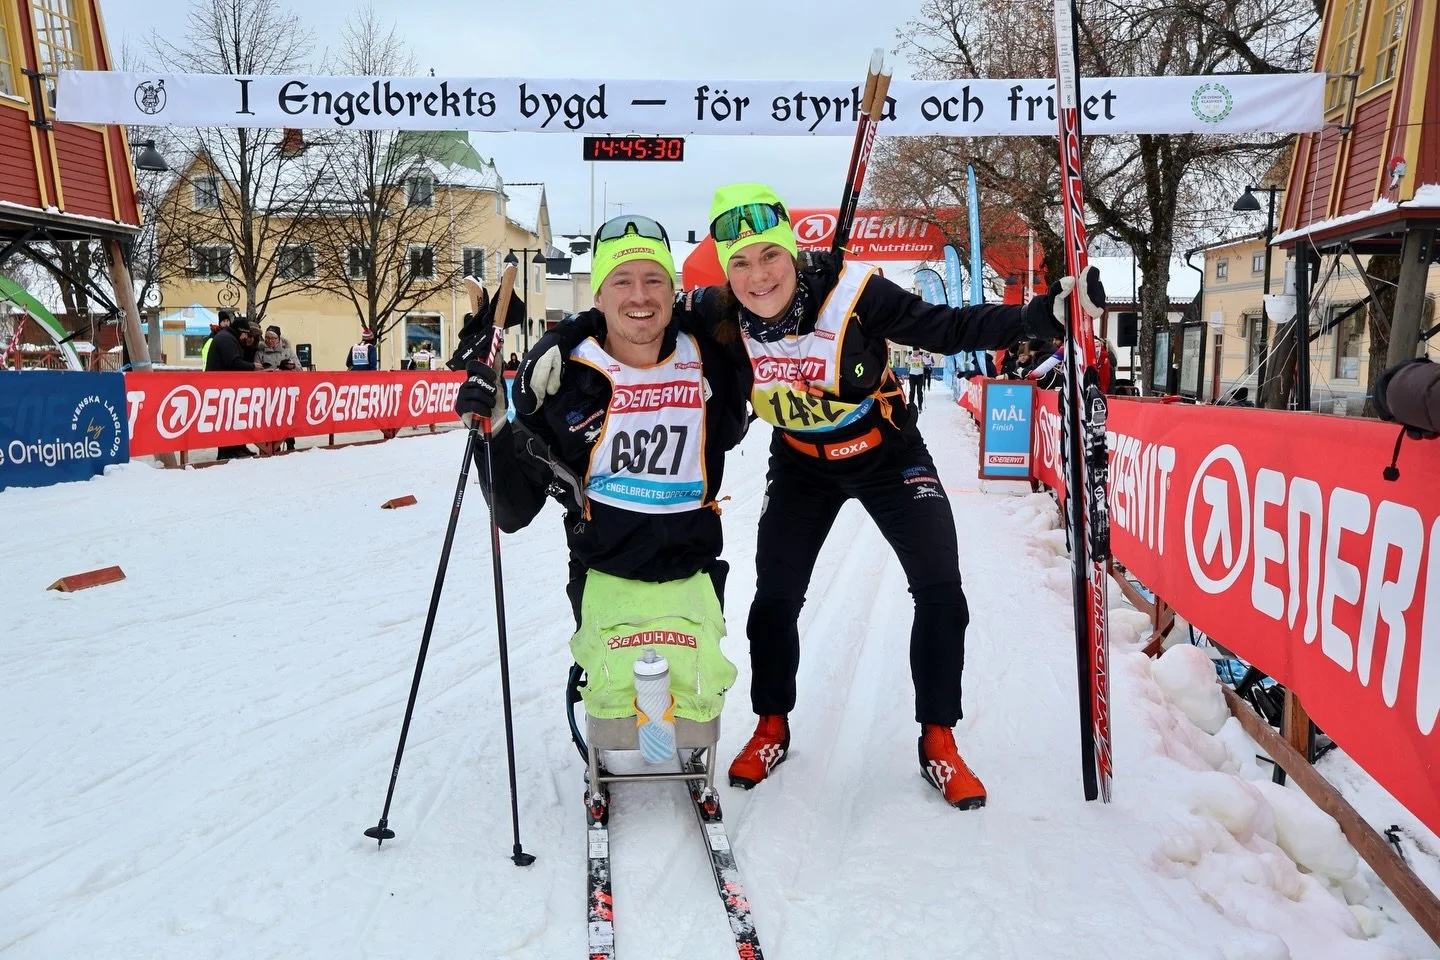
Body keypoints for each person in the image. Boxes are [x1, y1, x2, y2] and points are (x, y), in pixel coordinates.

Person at [515, 184, 1104, 810]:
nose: (757, 276)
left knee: (939, 587)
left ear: (792, 254)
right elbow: (630, 305)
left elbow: (948, 326)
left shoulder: (854, 293)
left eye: (770, 257)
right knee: (775, 596)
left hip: (887, 455)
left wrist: (1046, 316)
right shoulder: (717, 312)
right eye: (740, 263)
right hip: (802, 464)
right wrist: (558, 338)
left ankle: (939, 739)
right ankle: (772, 725)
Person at [455, 215, 750, 770]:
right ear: (600, 292)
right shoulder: (568, 379)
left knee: (698, 699)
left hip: (693, 570)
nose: (639, 295)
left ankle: (673, 729)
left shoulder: (711, 352)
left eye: (653, 279)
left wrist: (561, 330)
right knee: (615, 712)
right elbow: (514, 511)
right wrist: (492, 425)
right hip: (604, 575)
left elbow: (750, 300)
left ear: (672, 288)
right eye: (622, 281)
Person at [205, 316, 264, 460]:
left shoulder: (229, 338)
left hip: (225, 386)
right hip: (220, 386)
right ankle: (228, 450)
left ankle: (238, 447)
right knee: (227, 419)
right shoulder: (227, 339)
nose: (246, 337)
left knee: (234, 417)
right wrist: (252, 367)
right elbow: (233, 362)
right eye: (246, 334)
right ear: (241, 331)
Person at [907, 347, 928, 412]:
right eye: (915, 351)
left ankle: (920, 406)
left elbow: (926, 362)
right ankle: (911, 405)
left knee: (919, 392)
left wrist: (923, 360)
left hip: (919, 376)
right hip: (912, 376)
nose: (916, 352)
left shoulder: (921, 357)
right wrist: (908, 355)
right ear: (913, 351)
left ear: (919, 351)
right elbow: (906, 361)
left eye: (917, 351)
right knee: (912, 391)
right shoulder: (910, 356)